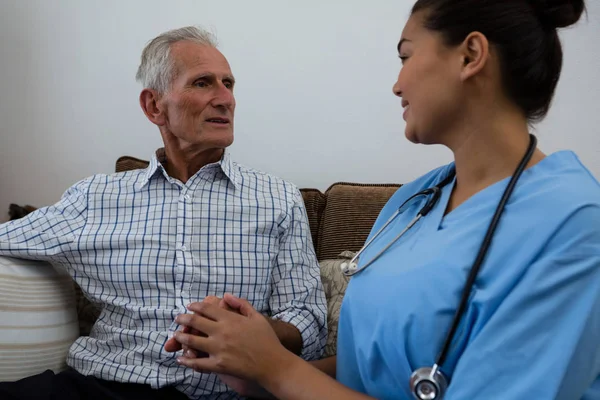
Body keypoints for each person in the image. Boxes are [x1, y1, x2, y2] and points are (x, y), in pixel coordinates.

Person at [167, 1, 600, 399]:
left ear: (470, 56)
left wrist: (276, 367)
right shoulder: (413, 202)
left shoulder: (572, 225)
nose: (397, 84)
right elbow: (378, 368)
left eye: (406, 56)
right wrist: (254, 369)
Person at [0, 26, 327, 399]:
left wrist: (249, 331)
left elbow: (310, 325)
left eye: (229, 84)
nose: (225, 99)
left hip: (226, 394)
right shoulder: (94, 198)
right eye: (203, 83)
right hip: (104, 388)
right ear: (154, 106)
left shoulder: (278, 199)